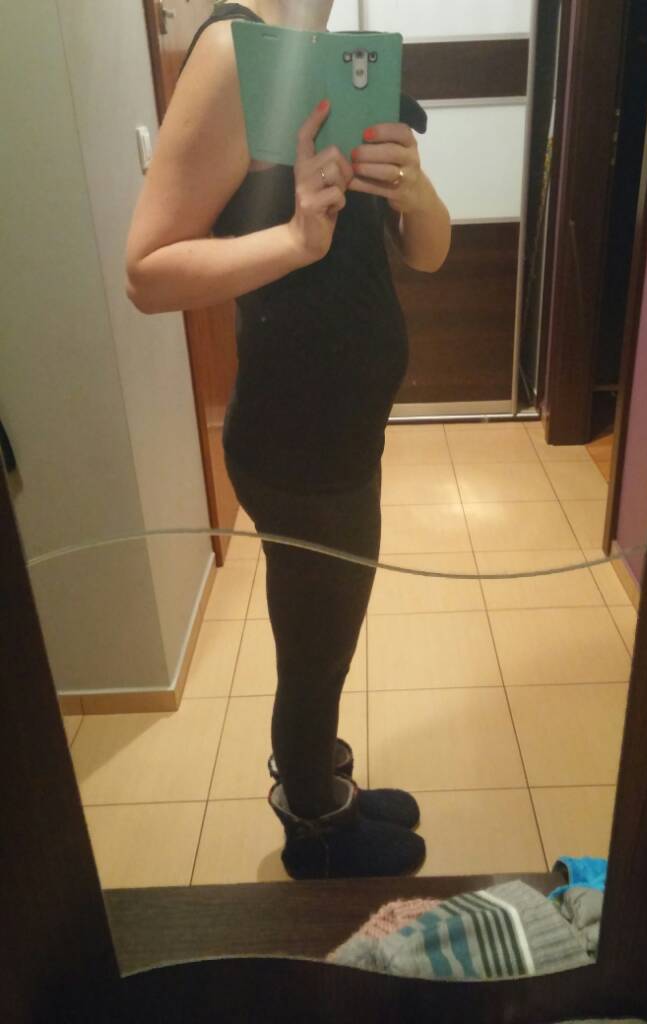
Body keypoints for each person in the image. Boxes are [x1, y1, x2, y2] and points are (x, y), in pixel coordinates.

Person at [125, 1, 451, 880]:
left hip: (343, 438)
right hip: (298, 446)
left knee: (324, 638)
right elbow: (147, 271)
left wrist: (416, 192)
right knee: (316, 653)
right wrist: (297, 238)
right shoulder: (235, 54)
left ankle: (322, 773)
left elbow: (428, 254)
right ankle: (315, 823)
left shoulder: (332, 60)